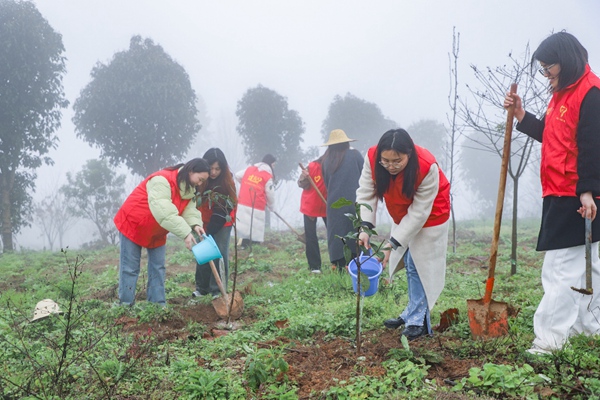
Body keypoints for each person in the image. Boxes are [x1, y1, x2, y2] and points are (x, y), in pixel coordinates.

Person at [503, 32, 600, 354]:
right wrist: (520, 114)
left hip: (575, 194)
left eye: (549, 68)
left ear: (567, 61)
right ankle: (588, 330)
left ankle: (549, 341)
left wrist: (588, 191)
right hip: (562, 190)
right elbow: (553, 136)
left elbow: (592, 146)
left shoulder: (590, 93)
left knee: (560, 269)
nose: (546, 74)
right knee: (587, 265)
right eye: (542, 69)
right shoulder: (563, 93)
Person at [356, 129, 450, 340]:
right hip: (402, 213)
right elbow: (366, 192)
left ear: (409, 154)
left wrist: (393, 243)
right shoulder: (372, 158)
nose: (390, 166)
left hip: (431, 214)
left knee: (420, 265)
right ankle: (412, 311)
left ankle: (418, 320)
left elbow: (419, 213)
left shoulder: (427, 166)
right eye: (386, 161)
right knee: (409, 263)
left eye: (397, 161)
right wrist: (365, 228)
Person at [114, 158, 209, 305]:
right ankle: (125, 306)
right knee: (130, 268)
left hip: (156, 229)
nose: (200, 183)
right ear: (191, 171)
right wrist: (185, 233)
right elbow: (164, 212)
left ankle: (157, 305)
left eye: (203, 181)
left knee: (158, 267)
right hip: (134, 223)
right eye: (200, 179)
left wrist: (195, 224)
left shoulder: (189, 188)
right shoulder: (161, 180)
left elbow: (189, 208)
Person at [193, 148, 238, 298]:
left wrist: (211, 230)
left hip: (222, 221)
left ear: (222, 168)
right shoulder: (200, 179)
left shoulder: (227, 181)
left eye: (217, 169)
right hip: (202, 220)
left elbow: (224, 209)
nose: (213, 172)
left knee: (218, 252)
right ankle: (202, 287)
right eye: (211, 168)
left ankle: (218, 289)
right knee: (203, 252)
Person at [321, 129, 363, 271]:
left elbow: (327, 183)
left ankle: (339, 266)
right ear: (346, 142)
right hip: (354, 202)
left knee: (337, 235)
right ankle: (356, 266)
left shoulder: (326, 160)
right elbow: (365, 177)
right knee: (355, 233)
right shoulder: (355, 155)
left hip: (334, 204)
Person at [235, 154, 277, 248]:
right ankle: (254, 246)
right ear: (270, 164)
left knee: (245, 225)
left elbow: (238, 175)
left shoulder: (250, 169)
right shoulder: (267, 176)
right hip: (257, 204)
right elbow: (270, 193)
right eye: (273, 165)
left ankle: (244, 245)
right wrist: (271, 206)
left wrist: (246, 185)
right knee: (256, 226)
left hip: (243, 201)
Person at [298, 158, 328, 273]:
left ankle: (338, 262)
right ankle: (314, 266)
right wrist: (304, 176)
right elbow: (300, 184)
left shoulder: (332, 167)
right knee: (310, 236)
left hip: (327, 205)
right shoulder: (312, 166)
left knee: (333, 233)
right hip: (310, 205)